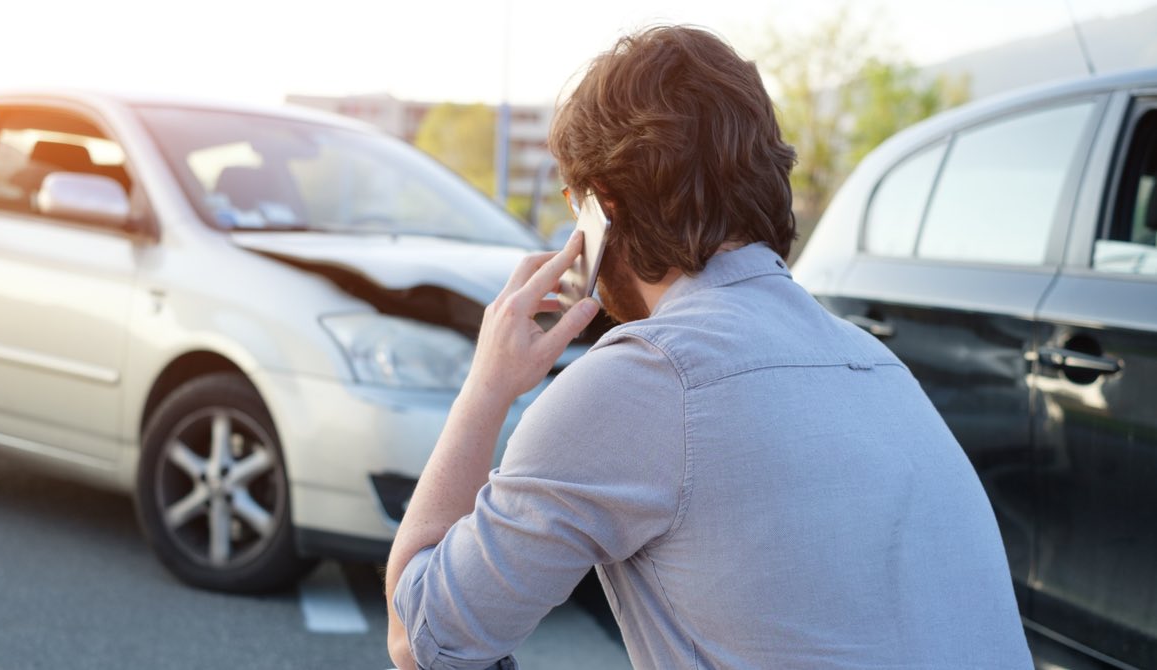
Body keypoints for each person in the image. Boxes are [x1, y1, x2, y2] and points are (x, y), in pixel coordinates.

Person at [384, 25, 1032, 670]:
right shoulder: (877, 365)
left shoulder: (643, 378)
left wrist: (486, 386)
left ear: (603, 211)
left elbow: (422, 641)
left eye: (573, 204)